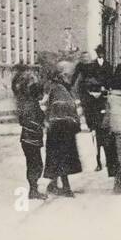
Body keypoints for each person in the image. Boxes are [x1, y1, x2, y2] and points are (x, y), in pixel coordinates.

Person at [44, 61, 83, 196]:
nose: (71, 78)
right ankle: (66, 188)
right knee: (62, 157)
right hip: (60, 128)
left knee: (58, 157)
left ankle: (53, 184)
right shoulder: (58, 89)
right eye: (70, 75)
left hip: (61, 127)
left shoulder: (61, 87)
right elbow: (60, 107)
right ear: (63, 75)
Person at [73, 46, 111, 171]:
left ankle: (105, 161)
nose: (85, 58)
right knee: (96, 136)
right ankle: (99, 161)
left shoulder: (95, 67)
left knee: (103, 136)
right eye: (83, 57)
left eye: (87, 57)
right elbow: (76, 83)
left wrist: (101, 90)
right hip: (92, 106)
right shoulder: (82, 69)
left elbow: (102, 81)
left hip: (99, 104)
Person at [17, 82, 47, 201]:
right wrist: (39, 125)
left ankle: (33, 189)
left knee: (33, 165)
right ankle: (33, 191)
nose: (43, 95)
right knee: (36, 165)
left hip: (27, 139)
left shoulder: (30, 103)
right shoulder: (31, 105)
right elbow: (24, 121)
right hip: (31, 139)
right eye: (42, 93)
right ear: (38, 93)